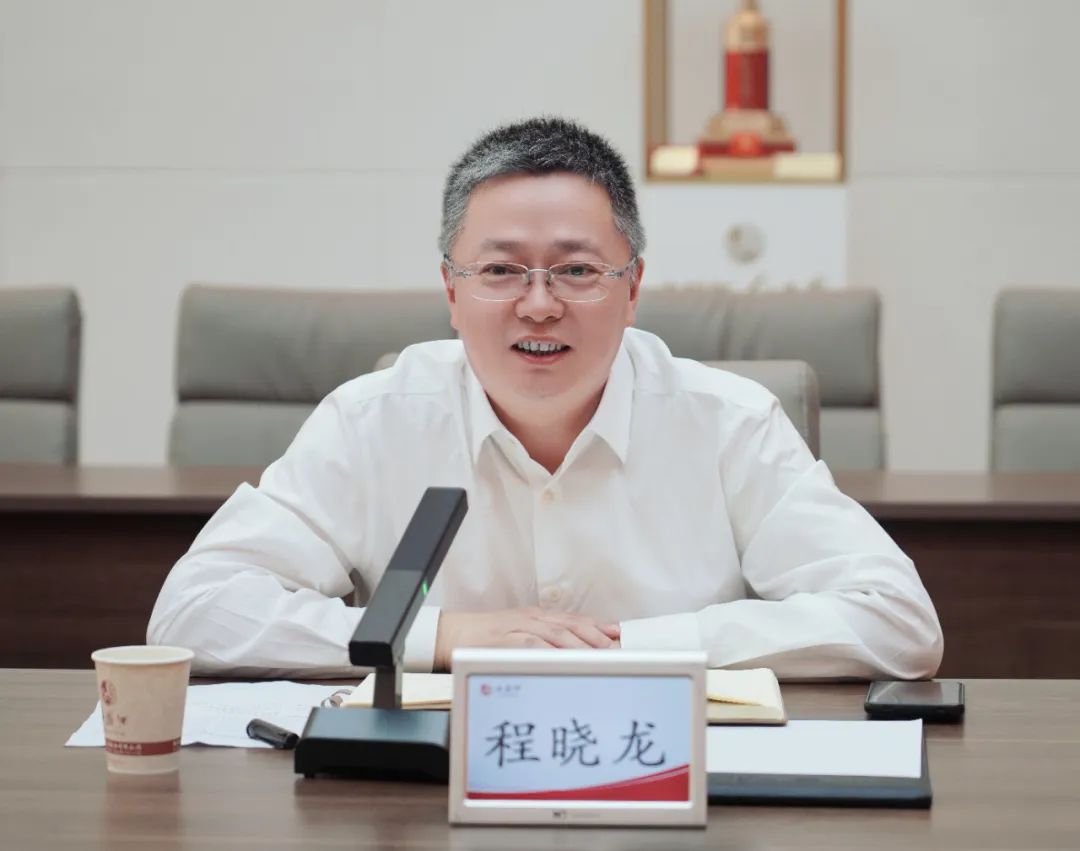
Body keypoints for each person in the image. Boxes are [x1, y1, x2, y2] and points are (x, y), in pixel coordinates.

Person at [148, 117, 942, 679]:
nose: (538, 304)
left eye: (576, 270)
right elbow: (192, 611)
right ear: (451, 291)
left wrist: (628, 648)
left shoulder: (729, 424)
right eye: (500, 271)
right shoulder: (372, 421)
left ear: (632, 289)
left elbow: (897, 620)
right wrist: (446, 636)